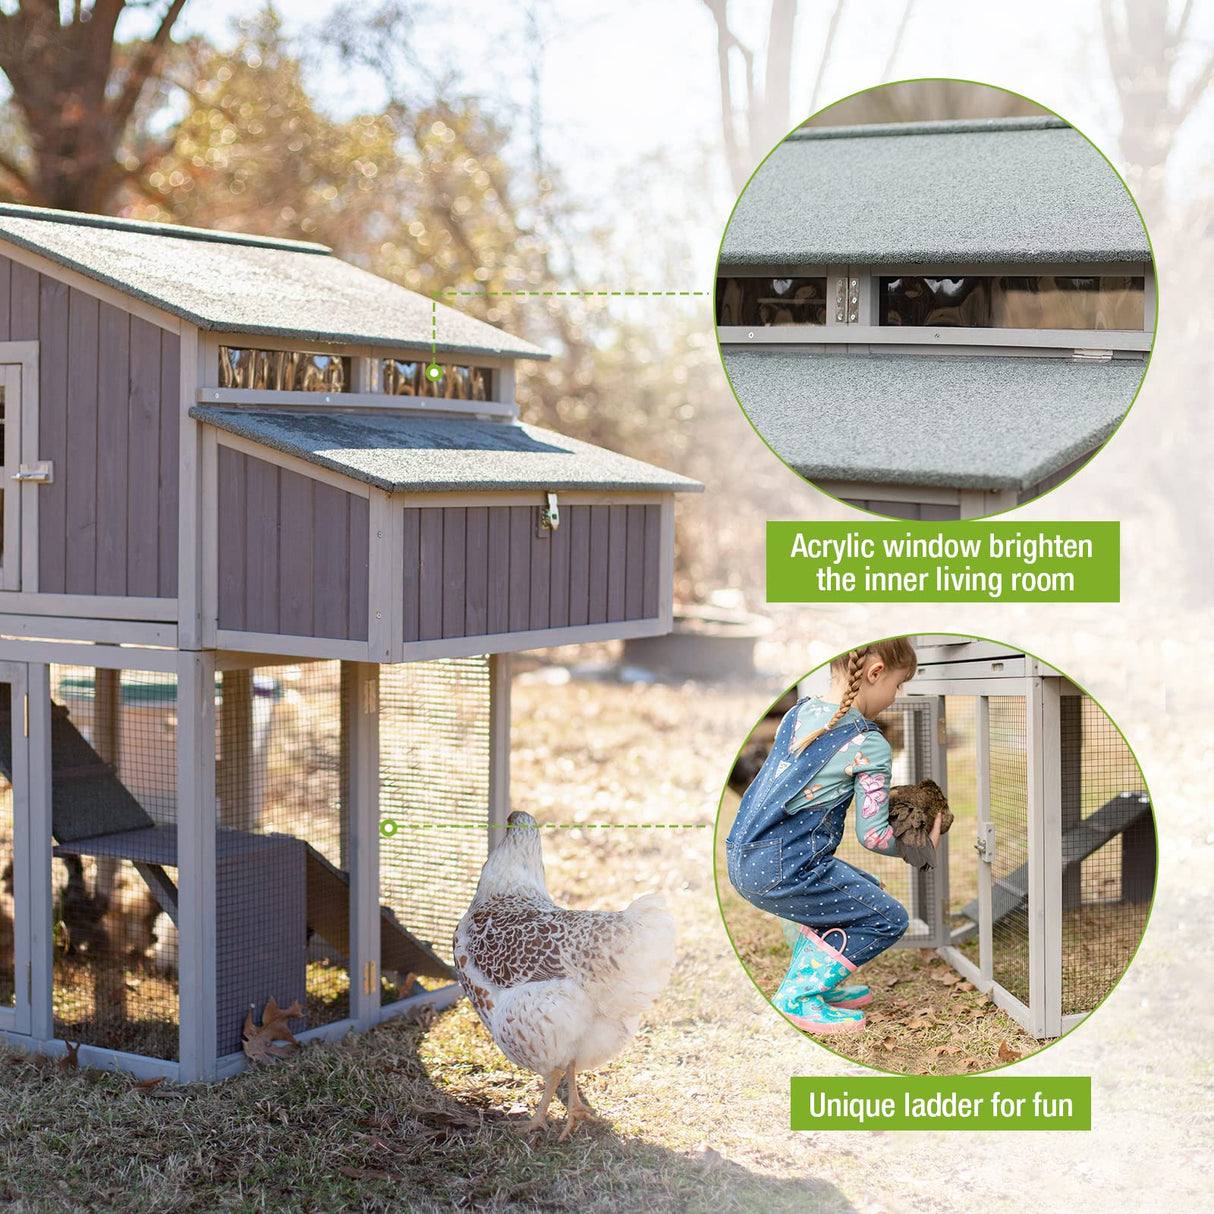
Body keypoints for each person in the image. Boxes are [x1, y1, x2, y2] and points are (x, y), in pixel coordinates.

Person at [726, 639, 941, 1035]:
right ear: (876, 672)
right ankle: (799, 995)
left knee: (863, 888)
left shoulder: (799, 712)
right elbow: (874, 837)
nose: (896, 696)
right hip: (786, 866)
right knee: (888, 918)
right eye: (898, 684)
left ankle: (819, 982)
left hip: (747, 855)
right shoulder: (869, 743)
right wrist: (920, 842)